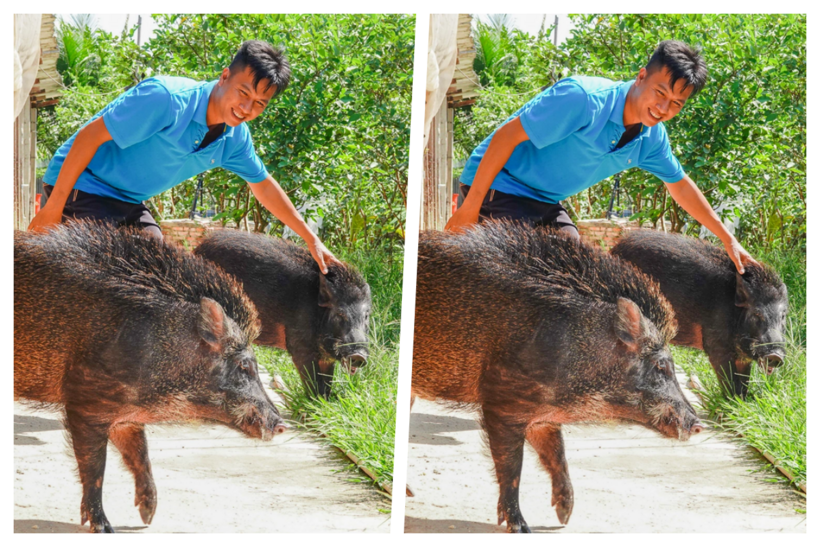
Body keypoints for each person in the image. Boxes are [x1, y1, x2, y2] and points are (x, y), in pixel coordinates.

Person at [447, 40, 755, 274]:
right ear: (641, 76)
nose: (664, 109)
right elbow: (506, 136)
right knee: (528, 276)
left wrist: (728, 239)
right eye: (660, 93)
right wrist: (469, 208)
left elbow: (680, 185)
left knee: (577, 269)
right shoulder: (582, 99)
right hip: (499, 185)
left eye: (676, 103)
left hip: (542, 201)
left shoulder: (651, 138)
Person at [30, 40, 338, 273]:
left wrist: (311, 239)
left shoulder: (234, 138)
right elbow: (89, 137)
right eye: (243, 93)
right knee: (113, 272)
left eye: (259, 103)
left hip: (125, 201)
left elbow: (264, 185)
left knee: (158, 265)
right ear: (224, 76)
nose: (247, 109)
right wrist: (52, 207)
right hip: (82, 184)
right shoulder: (165, 100)